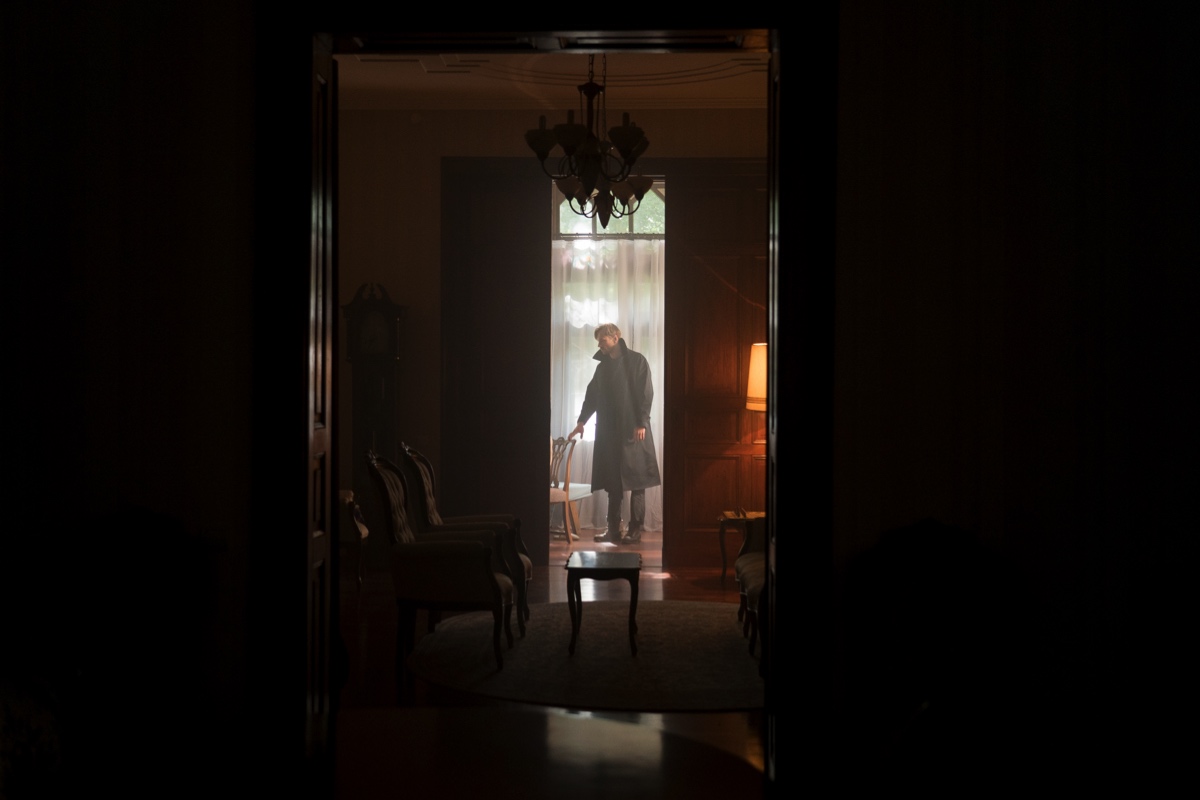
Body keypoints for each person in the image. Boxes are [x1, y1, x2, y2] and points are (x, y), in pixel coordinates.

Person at [569, 323, 661, 544]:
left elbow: (645, 393)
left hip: (634, 432)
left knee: (637, 481)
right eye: (598, 342)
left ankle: (634, 531)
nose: (599, 345)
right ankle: (613, 530)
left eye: (602, 340)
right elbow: (591, 395)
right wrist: (581, 421)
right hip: (610, 434)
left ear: (616, 337)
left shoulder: (637, 361)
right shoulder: (602, 368)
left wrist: (641, 423)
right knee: (613, 482)